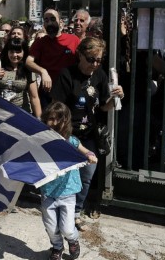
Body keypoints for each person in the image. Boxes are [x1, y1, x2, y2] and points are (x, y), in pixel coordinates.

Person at [51, 37, 124, 228]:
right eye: (91, 59)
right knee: (65, 176)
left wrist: (116, 98)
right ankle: (60, 211)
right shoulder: (67, 75)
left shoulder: (99, 75)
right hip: (68, 134)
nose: (95, 64)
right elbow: (57, 108)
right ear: (80, 55)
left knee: (87, 175)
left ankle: (76, 211)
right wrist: (63, 135)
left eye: (98, 60)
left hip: (90, 134)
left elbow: (104, 107)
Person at [39, 102, 97, 260]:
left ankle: (73, 240)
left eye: (60, 119)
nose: (56, 123)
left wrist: (90, 155)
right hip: (48, 192)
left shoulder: (71, 141)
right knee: (51, 227)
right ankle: (57, 247)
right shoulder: (42, 142)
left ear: (67, 121)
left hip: (67, 192)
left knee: (67, 228)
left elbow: (85, 151)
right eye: (51, 119)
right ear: (45, 120)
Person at [27, 8, 80, 106]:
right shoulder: (40, 42)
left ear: (60, 22)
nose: (49, 23)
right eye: (46, 20)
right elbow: (29, 61)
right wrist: (43, 72)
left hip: (70, 92)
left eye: (52, 19)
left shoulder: (74, 40)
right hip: (48, 92)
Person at [0, 37, 42, 118]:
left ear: (24, 52)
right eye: (11, 51)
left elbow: (34, 97)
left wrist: (39, 119)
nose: (14, 55)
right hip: (0, 113)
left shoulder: (28, 70)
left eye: (18, 52)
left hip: (21, 114)